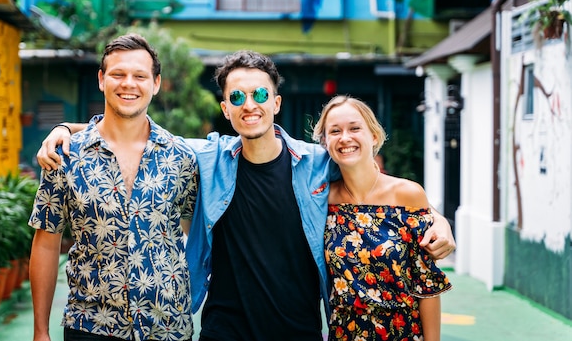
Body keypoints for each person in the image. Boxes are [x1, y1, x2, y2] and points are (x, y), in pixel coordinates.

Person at [36, 50, 456, 340]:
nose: (248, 104)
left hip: (299, 327)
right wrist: (66, 130)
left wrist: (438, 219)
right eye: (237, 96)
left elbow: (377, 189)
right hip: (224, 327)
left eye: (258, 95)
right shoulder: (207, 156)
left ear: (276, 102)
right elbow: (132, 132)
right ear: (225, 108)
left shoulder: (316, 162)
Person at [28, 33, 198, 341]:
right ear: (102, 79)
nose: (128, 83)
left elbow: (197, 230)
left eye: (140, 76)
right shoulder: (65, 155)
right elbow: (46, 243)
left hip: (166, 326)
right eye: (118, 74)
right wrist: (40, 331)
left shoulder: (182, 156)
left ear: (156, 83)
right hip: (90, 324)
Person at [312, 95, 452, 341]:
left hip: (403, 333)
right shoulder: (323, 199)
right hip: (345, 334)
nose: (345, 138)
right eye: (335, 131)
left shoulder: (407, 194)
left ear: (374, 136)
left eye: (355, 128)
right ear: (325, 142)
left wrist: (442, 221)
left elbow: (426, 285)